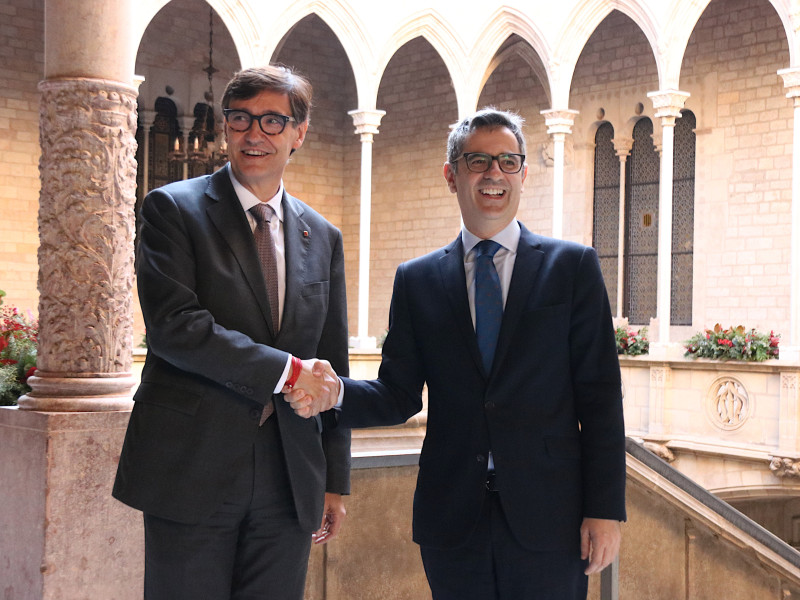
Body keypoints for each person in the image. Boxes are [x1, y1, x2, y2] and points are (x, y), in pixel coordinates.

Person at [287, 108, 626, 599]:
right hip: (452, 519)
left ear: (524, 174)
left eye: (508, 161)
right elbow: (399, 394)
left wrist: (605, 508)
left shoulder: (572, 267)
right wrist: (336, 393)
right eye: (478, 160)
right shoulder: (417, 280)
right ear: (452, 175)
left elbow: (599, 397)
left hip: (551, 518)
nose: (495, 173)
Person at [113, 64, 350, 600]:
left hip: (288, 476)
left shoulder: (324, 236)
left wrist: (335, 478)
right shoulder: (173, 209)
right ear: (225, 126)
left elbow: (332, 360)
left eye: (272, 121)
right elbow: (176, 327)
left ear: (299, 133)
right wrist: (288, 371)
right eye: (241, 118)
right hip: (192, 465)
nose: (254, 134)